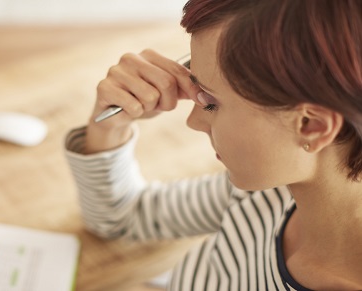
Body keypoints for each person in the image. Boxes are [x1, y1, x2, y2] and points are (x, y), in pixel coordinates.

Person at [64, 0, 362, 290]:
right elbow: (121, 216)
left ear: (311, 125)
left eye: (210, 102)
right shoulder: (273, 192)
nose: (193, 122)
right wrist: (110, 125)